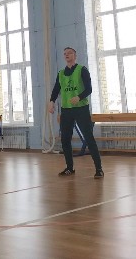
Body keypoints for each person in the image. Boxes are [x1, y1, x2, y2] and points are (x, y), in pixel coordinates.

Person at [48, 47, 103, 179]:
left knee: (89, 138)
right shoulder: (61, 73)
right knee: (65, 139)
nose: (67, 55)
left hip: (81, 109)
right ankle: (69, 168)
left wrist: (79, 97)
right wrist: (51, 101)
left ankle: (99, 169)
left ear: (75, 55)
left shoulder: (82, 70)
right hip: (66, 110)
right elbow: (56, 89)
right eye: (65, 54)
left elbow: (89, 89)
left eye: (70, 53)